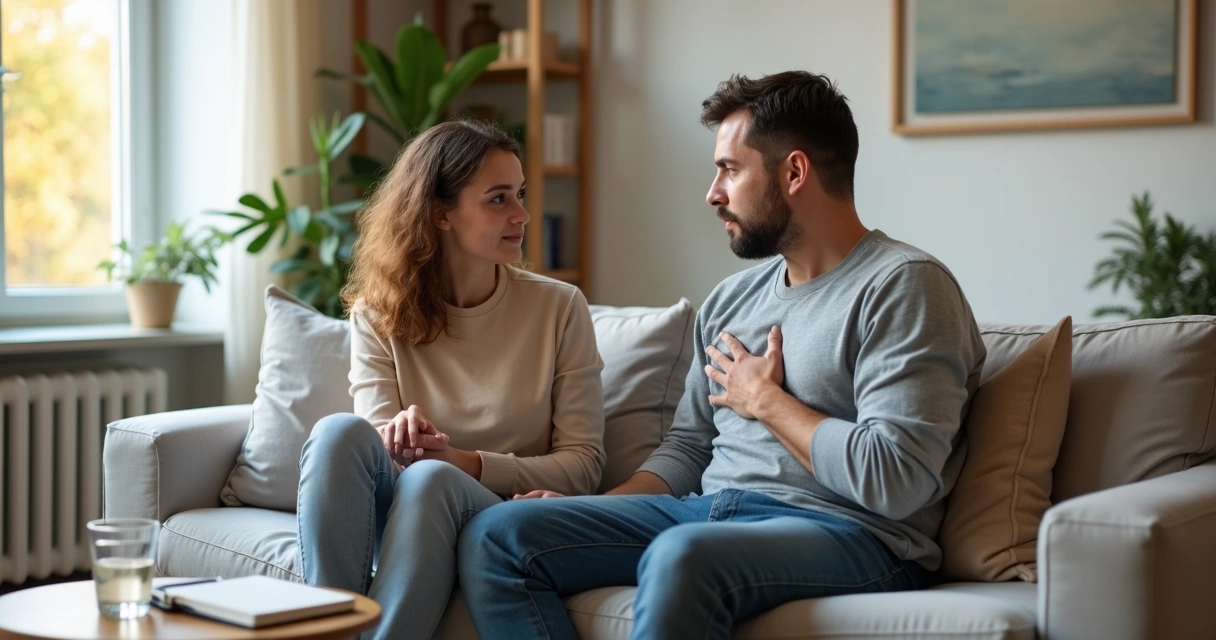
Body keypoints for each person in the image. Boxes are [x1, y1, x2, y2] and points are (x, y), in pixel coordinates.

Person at [456, 71, 987, 640]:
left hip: (853, 535)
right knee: (500, 533)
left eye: (730, 170)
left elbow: (896, 477)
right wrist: (595, 509)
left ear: (794, 172)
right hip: (708, 515)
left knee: (684, 554)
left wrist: (766, 401)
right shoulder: (733, 299)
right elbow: (690, 446)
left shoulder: (904, 285)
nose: (713, 192)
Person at [295, 119, 606, 640]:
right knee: (335, 432)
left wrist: (467, 463)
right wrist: (398, 432)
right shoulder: (378, 314)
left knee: (434, 477)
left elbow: (584, 466)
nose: (523, 215)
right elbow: (370, 445)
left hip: (490, 513)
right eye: (498, 199)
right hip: (400, 510)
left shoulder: (559, 308)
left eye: (520, 195)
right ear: (441, 213)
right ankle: (328, 629)